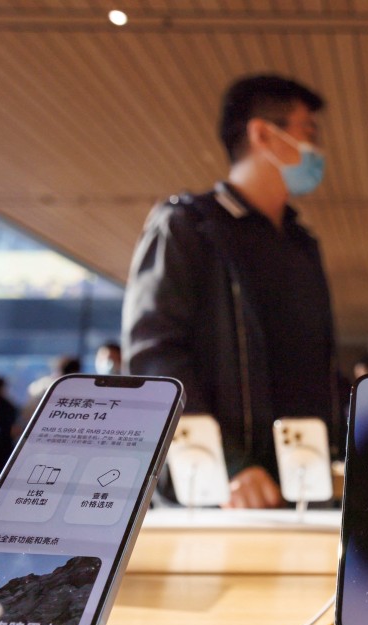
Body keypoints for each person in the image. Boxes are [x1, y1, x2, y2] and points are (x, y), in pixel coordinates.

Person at [123, 73, 336, 509]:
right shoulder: (189, 226)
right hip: (219, 489)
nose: (317, 151)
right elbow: (154, 357)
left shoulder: (300, 242)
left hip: (301, 484)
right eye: (308, 133)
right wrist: (227, 464)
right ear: (263, 133)